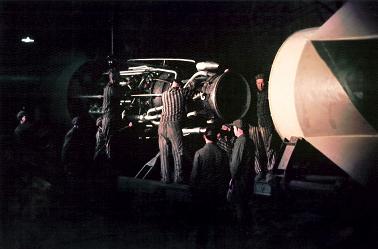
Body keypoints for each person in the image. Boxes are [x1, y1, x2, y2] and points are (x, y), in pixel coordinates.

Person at [190, 125, 230, 248]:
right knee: (217, 224)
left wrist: (193, 192)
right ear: (216, 138)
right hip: (218, 193)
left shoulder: (199, 153)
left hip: (203, 194)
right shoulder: (223, 154)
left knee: (202, 225)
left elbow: (194, 176)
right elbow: (226, 174)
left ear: (204, 137)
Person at [158, 79, 194, 184]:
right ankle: (178, 179)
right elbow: (191, 91)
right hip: (173, 125)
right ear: (179, 86)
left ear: (170, 85)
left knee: (164, 153)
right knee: (178, 152)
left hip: (161, 125)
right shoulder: (181, 92)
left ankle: (165, 178)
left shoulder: (164, 94)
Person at [249, 73, 279, 182]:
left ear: (265, 83)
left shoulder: (269, 93)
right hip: (254, 124)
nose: (260, 85)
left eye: (262, 83)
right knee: (256, 149)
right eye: (258, 83)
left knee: (269, 147)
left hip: (266, 123)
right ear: (255, 83)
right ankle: (259, 171)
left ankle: (270, 170)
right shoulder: (251, 94)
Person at [229, 119, 254, 233]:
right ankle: (248, 228)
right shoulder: (249, 141)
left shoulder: (240, 142)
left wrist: (232, 178)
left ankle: (241, 231)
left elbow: (236, 163)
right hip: (249, 179)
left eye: (234, 128)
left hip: (241, 180)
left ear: (238, 129)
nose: (233, 130)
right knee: (246, 204)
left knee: (239, 205)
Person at [100, 64, 123, 159]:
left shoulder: (107, 88)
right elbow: (119, 95)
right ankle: (109, 164)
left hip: (108, 118)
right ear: (114, 78)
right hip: (110, 118)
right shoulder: (112, 89)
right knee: (110, 143)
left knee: (109, 142)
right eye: (118, 77)